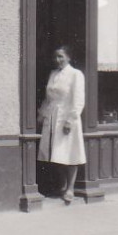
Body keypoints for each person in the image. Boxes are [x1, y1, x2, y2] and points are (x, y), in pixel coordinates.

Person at [38, 45, 86, 205]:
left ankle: (70, 188)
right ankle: (63, 184)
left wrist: (70, 120)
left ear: (69, 58)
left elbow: (78, 99)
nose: (57, 60)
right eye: (56, 57)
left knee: (70, 153)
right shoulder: (53, 74)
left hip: (67, 117)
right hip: (52, 117)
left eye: (61, 57)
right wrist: (42, 115)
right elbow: (48, 98)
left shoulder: (75, 74)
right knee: (55, 153)